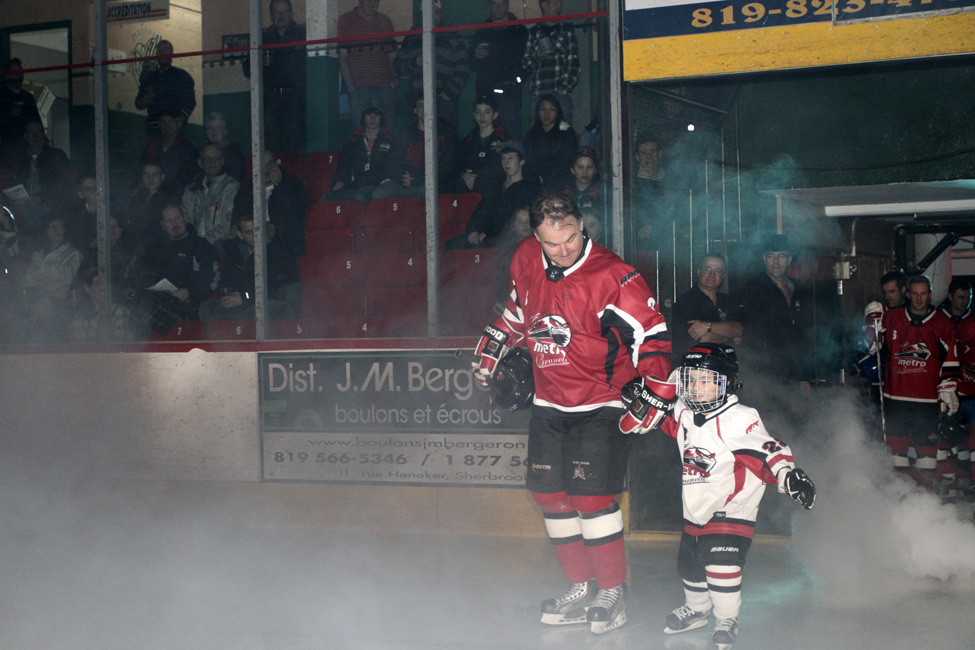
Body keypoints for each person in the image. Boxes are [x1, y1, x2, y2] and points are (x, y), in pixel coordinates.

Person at [471, 193, 672, 635]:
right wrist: (496, 341)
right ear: (536, 238)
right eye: (551, 244)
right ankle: (580, 586)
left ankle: (613, 589)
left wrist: (658, 389)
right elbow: (519, 310)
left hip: (602, 401)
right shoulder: (526, 257)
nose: (562, 251)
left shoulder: (615, 275)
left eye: (569, 240)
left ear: (583, 226)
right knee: (549, 496)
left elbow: (652, 334)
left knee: (591, 498)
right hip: (549, 401)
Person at [658, 343, 815, 649]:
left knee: (721, 563)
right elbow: (660, 417)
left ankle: (727, 618)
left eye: (706, 380)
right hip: (696, 505)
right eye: (692, 380)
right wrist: (640, 399)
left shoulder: (741, 416)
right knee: (689, 565)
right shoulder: (686, 412)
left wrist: (788, 474)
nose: (697, 388)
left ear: (726, 383)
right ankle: (698, 608)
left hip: (733, 509)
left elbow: (767, 449)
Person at [880, 274, 960, 491]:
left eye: (923, 293)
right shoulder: (892, 317)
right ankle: (899, 497)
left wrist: (948, 387)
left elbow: (951, 358)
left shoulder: (942, 323)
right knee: (897, 452)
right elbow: (873, 347)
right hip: (895, 398)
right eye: (914, 293)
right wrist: (870, 326)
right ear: (908, 294)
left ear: (930, 295)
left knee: (927, 453)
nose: (918, 298)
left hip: (926, 401)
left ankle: (925, 501)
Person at [734, 235, 813, 403]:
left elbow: (803, 335)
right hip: (763, 370)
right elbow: (745, 332)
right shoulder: (752, 289)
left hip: (792, 373)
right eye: (771, 256)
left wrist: (804, 376)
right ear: (764, 259)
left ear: (789, 259)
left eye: (781, 256)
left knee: (793, 420)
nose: (776, 262)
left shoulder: (797, 289)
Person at [199, 212, 300, 327]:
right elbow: (225, 282)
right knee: (206, 309)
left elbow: (275, 288)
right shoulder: (234, 254)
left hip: (268, 304)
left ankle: (239, 326)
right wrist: (227, 297)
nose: (255, 235)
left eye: (257, 230)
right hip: (241, 306)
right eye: (248, 232)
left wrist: (245, 297)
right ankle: (228, 332)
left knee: (267, 310)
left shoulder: (278, 252)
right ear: (240, 234)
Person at [133, 203, 220, 335]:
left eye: (178, 218)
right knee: (135, 303)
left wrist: (189, 292)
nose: (174, 224)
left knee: (148, 308)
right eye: (169, 220)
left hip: (190, 303)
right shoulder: (156, 248)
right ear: (162, 224)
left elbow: (212, 279)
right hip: (161, 298)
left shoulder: (201, 247)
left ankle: (177, 341)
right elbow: (143, 273)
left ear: (185, 218)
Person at [445, 141, 540, 251]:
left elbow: (516, 219)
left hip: (509, 237)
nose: (506, 162)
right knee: (451, 245)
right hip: (487, 235)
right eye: (503, 158)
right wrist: (474, 230)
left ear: (522, 161)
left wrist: (488, 233)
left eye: (511, 158)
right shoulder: (496, 187)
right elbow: (482, 211)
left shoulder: (529, 188)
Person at [393, 1, 469, 130]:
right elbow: (398, 66)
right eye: (429, 12)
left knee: (447, 139)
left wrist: (449, 92)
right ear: (422, 15)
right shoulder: (412, 38)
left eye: (437, 12)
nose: (433, 15)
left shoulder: (451, 35)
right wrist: (415, 61)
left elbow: (464, 66)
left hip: (444, 99)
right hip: (417, 99)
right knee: (418, 143)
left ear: (441, 14)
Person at [243, 0, 306, 154]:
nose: (281, 16)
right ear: (271, 16)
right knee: (271, 144)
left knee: (294, 144)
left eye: (284, 12)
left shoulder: (302, 34)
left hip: (295, 98)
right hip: (270, 100)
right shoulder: (262, 37)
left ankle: (290, 177)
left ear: (291, 13)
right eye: (277, 12)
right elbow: (247, 69)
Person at [373, 92, 456, 201]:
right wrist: (402, 177)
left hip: (428, 183)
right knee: (379, 193)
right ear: (415, 110)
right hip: (404, 181)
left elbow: (446, 167)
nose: (424, 109)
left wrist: (421, 177)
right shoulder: (405, 133)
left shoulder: (444, 134)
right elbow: (391, 162)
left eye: (427, 105)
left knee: (427, 192)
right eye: (420, 105)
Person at [324, 101, 403, 205]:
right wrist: (340, 181)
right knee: (325, 199)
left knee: (363, 196)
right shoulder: (352, 142)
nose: (372, 118)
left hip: (380, 186)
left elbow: (392, 169)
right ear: (363, 117)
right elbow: (343, 167)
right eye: (368, 114)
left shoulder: (391, 141)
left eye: (376, 114)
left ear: (381, 118)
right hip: (356, 186)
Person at [18, 214, 82, 342]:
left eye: (60, 226)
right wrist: (37, 299)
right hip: (37, 305)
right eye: (52, 227)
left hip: (60, 307)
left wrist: (48, 299)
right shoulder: (37, 255)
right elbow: (26, 283)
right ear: (46, 231)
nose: (57, 229)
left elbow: (66, 284)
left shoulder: (73, 254)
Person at [470, 0, 528, 140]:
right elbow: (471, 63)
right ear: (489, 6)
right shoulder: (483, 30)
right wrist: (476, 54)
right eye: (494, 4)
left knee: (511, 135)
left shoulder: (518, 30)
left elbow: (527, 62)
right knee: (486, 135)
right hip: (486, 92)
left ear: (507, 6)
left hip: (508, 94)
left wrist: (515, 81)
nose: (497, 7)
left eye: (501, 3)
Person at [337, 0, 398, 128]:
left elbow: (392, 55)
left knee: (387, 134)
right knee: (361, 136)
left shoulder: (385, 22)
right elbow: (343, 58)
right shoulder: (346, 21)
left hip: (384, 89)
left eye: (376, 1)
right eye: (369, 0)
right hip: (359, 90)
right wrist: (352, 90)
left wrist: (394, 80)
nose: (373, 4)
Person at [671, 253, 743, 360]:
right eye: (707, 269)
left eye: (718, 271)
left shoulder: (728, 301)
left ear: (723, 276)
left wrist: (708, 326)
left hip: (727, 365)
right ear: (699, 272)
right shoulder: (685, 302)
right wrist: (730, 335)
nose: (712, 275)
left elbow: (739, 329)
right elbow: (703, 339)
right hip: (696, 368)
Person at [236, 149, 308, 256]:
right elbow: (239, 214)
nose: (266, 170)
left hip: (282, 239)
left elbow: (293, 217)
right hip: (251, 236)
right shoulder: (247, 188)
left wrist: (279, 184)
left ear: (277, 164)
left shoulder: (292, 185)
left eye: (270, 164)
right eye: (261, 165)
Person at [8, 118, 71, 236]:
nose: (35, 135)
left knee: (36, 214)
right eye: (32, 132)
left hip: (49, 204)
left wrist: (40, 198)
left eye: (38, 131)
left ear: (43, 134)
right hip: (25, 205)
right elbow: (16, 184)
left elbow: (63, 184)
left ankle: (36, 249)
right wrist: (16, 199)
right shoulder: (21, 159)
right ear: (26, 136)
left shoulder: (56, 156)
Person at [522, 0, 580, 127]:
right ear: (544, 5)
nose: (559, 7)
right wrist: (536, 56)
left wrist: (563, 88)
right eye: (555, 3)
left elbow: (574, 63)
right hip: (538, 93)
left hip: (559, 94)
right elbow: (526, 66)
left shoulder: (567, 30)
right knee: (537, 136)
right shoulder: (533, 33)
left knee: (563, 136)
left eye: (560, 3)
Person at [180, 143, 240, 248]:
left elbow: (228, 224)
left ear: (222, 161)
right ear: (200, 163)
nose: (212, 163)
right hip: (192, 245)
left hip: (219, 245)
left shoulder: (231, 187)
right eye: (207, 159)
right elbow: (184, 219)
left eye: (216, 158)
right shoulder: (190, 189)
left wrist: (204, 242)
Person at [134, 39, 196, 132]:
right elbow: (138, 103)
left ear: (172, 53)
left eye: (166, 50)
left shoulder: (182, 76)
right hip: (154, 129)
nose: (162, 53)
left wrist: (180, 120)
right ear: (156, 54)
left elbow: (190, 102)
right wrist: (144, 101)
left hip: (174, 130)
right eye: (160, 50)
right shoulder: (149, 78)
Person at [452, 96, 507, 195]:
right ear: (473, 115)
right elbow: (456, 163)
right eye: (478, 112)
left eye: (487, 112)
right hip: (470, 188)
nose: (482, 117)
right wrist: (464, 174)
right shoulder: (468, 140)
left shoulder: (503, 139)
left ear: (495, 115)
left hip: (495, 188)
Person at [69, 264, 137, 343]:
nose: (103, 289)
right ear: (87, 288)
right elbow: (74, 348)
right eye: (97, 284)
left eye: (105, 284)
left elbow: (120, 347)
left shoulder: (118, 311)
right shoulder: (80, 316)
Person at [523, 94, 576, 192]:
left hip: (560, 184)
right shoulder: (531, 135)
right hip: (536, 183)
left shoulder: (566, 133)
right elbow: (528, 163)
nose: (547, 114)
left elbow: (567, 162)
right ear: (537, 112)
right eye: (543, 109)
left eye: (552, 109)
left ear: (557, 112)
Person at [119, 161, 179, 249]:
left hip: (160, 247)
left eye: (154, 175)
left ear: (162, 177)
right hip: (137, 246)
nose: (150, 179)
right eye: (146, 175)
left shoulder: (169, 199)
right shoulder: (136, 197)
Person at [142, 107, 198, 195]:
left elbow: (187, 181)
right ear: (159, 125)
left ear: (178, 124)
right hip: (152, 194)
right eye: (163, 122)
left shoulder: (188, 150)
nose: (167, 125)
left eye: (171, 121)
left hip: (177, 197)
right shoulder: (152, 146)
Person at [0, 58, 41, 157]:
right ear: (7, 75)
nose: (19, 75)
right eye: (15, 73)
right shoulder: (1, 96)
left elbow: (36, 120)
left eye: (21, 72)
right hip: (6, 148)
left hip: (27, 148)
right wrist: (8, 114)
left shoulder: (28, 98)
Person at [203, 112, 246, 182]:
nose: (214, 131)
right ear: (205, 132)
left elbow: (235, 177)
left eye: (218, 128)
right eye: (210, 128)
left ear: (225, 131)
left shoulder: (234, 151)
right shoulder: (200, 152)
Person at [561, 147, 600, 214]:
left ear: (595, 170)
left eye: (589, 167)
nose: (585, 172)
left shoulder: (601, 194)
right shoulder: (563, 193)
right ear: (572, 170)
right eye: (580, 167)